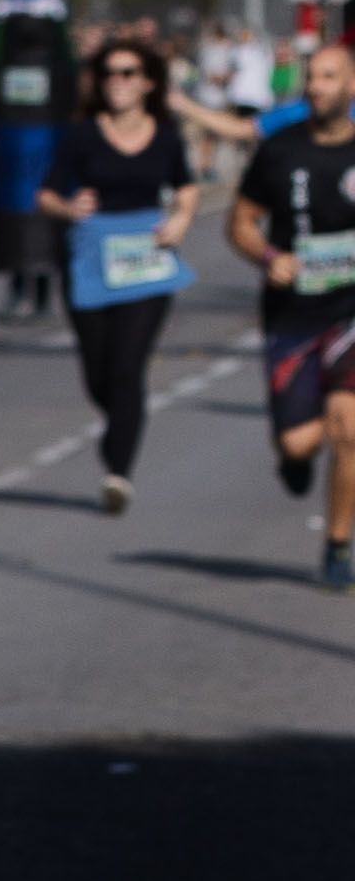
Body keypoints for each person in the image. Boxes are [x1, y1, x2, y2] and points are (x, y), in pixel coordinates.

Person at [36, 37, 196, 515]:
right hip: (90, 258)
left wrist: (181, 221)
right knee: (99, 373)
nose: (117, 82)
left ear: (148, 82)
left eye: (128, 73)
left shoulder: (166, 137)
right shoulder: (82, 135)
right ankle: (120, 425)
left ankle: (118, 471)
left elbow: (187, 189)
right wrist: (68, 206)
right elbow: (44, 194)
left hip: (146, 262)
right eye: (109, 73)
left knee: (129, 364)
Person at [227, 42, 355, 589]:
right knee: (300, 443)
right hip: (293, 316)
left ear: (351, 85)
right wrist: (268, 257)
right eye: (312, 77)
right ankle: (294, 458)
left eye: (329, 77)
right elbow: (240, 223)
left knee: (348, 427)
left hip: (351, 312)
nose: (317, 86)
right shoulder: (280, 151)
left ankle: (337, 545)